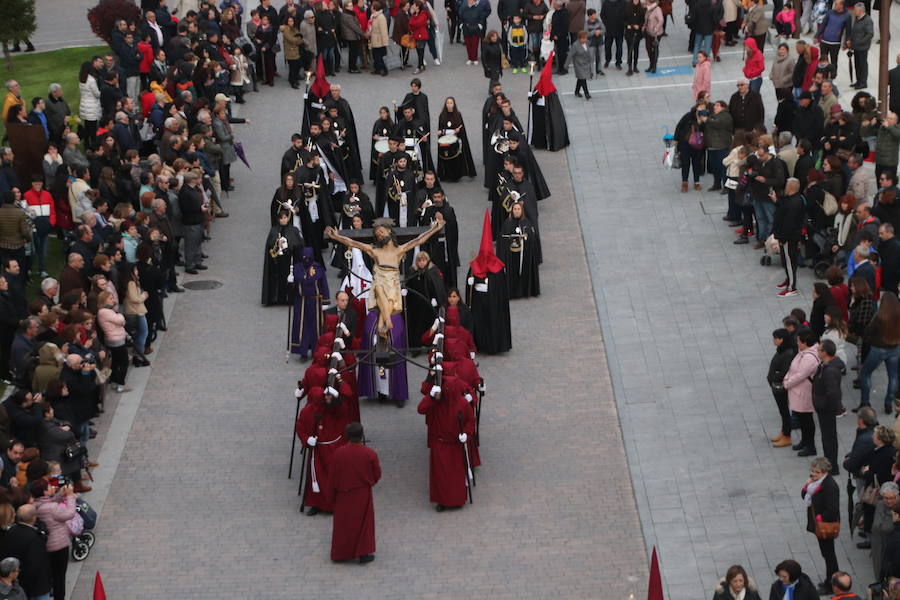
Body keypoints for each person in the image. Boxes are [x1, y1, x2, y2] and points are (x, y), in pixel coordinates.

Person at [326, 219, 444, 338]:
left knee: (387, 296)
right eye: (377, 235)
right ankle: (387, 323)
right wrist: (336, 236)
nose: (380, 235)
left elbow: (419, 239)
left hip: (392, 284)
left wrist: (434, 229)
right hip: (380, 283)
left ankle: (383, 324)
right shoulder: (374, 250)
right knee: (378, 288)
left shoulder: (399, 250)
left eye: (381, 232)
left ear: (389, 231)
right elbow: (352, 243)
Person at [417, 373, 476, 511]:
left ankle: (458, 499)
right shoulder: (436, 402)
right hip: (440, 443)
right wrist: (430, 397)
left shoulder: (462, 403)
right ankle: (442, 501)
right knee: (441, 476)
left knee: (456, 475)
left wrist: (466, 434)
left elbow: (470, 421)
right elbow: (421, 409)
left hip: (456, 444)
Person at [328, 422, 380, 563]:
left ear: (347, 436)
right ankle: (363, 553)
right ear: (362, 435)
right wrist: (369, 483)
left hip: (343, 494)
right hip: (362, 493)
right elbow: (377, 474)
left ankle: (341, 554)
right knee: (364, 524)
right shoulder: (370, 454)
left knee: (343, 525)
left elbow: (333, 476)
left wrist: (332, 496)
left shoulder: (338, 453)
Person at [466, 211, 511, 354]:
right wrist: (470, 283)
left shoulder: (498, 268)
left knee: (493, 324)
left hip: (493, 303)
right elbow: (469, 290)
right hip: (479, 302)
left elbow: (501, 289)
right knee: (480, 324)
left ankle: (494, 346)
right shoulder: (474, 266)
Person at [31, 475, 76, 600]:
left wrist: (60, 495)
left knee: (51, 573)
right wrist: (70, 496)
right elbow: (69, 513)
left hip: (47, 546)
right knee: (59, 576)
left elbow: (50, 502)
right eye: (49, 486)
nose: (52, 487)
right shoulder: (51, 508)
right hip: (59, 546)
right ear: (45, 491)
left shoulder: (37, 504)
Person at [801, 456, 840, 593]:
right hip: (819, 525)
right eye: (813, 471)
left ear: (825, 472)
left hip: (825, 526)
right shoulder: (815, 482)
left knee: (829, 555)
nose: (813, 474)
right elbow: (805, 496)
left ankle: (832, 583)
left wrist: (820, 517)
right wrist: (806, 486)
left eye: (817, 472)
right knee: (826, 554)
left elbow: (832, 510)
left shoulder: (829, 486)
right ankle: (831, 580)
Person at [858, 293, 900, 414]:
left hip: (878, 349)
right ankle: (888, 403)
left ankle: (865, 402)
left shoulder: (879, 317)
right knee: (893, 376)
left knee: (865, 374)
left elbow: (869, 331)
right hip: (895, 348)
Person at [0, 505, 51, 600]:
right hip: (37, 588)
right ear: (34, 518)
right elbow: (35, 565)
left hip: (19, 583)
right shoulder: (35, 538)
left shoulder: (10, 532)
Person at [783, 329, 820, 456]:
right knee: (803, 420)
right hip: (798, 392)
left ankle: (810, 446)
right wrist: (787, 378)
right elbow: (793, 369)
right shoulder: (803, 352)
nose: (797, 343)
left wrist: (787, 383)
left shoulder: (809, 358)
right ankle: (805, 442)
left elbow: (800, 375)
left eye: (798, 341)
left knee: (807, 421)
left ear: (805, 343)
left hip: (804, 394)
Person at [289, 248, 330, 359]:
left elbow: (324, 285)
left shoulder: (318, 268)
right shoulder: (297, 268)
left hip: (315, 301)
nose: (306, 260)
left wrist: (326, 301)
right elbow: (294, 288)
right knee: (301, 325)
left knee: (315, 326)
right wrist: (290, 282)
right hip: (301, 301)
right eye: (304, 257)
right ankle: (302, 350)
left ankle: (315, 350)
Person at [813, 339, 845, 473]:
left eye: (819, 350)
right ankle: (829, 462)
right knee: (827, 437)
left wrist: (821, 404)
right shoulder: (826, 365)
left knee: (829, 438)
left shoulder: (830, 371)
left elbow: (832, 393)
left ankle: (831, 466)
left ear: (825, 352)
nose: (817, 351)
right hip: (824, 408)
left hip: (826, 409)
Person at [497, 201, 540, 298]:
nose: (516, 211)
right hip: (510, 256)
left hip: (523, 254)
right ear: (512, 211)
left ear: (522, 211)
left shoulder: (527, 223)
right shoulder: (507, 223)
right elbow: (502, 239)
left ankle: (524, 292)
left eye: (518, 209)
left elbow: (533, 238)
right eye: (515, 209)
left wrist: (526, 237)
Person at [262, 210, 303, 306]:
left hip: (290, 260)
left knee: (289, 278)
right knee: (278, 278)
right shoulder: (274, 230)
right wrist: (276, 243)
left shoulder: (294, 230)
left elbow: (299, 244)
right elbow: (270, 245)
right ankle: (277, 298)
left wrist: (290, 246)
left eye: (285, 218)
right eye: (281, 218)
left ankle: (291, 298)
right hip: (277, 261)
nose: (283, 220)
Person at [436, 97, 477, 182]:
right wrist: (440, 132)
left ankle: (456, 175)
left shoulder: (458, 115)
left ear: (454, 104)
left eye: (451, 103)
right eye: (448, 103)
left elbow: (461, 129)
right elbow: (440, 128)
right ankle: (446, 175)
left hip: (455, 140)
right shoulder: (442, 115)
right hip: (445, 140)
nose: (449, 105)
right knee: (446, 157)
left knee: (455, 158)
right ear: (445, 104)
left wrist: (458, 131)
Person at [768, 328, 797, 447]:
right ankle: (784, 432)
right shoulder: (782, 350)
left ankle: (787, 436)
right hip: (776, 385)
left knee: (784, 411)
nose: (774, 341)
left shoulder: (788, 353)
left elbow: (785, 371)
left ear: (782, 339)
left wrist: (774, 378)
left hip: (780, 386)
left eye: (776, 338)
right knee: (782, 411)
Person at [674, 102, 708, 193]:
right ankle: (684, 182)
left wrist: (701, 122)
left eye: (704, 108)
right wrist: (676, 139)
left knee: (696, 163)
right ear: (696, 107)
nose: (702, 109)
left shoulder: (705, 118)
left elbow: (707, 130)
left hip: (697, 145)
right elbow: (679, 126)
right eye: (701, 107)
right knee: (685, 163)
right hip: (685, 143)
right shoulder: (689, 116)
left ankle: (697, 182)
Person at [870, 481, 899, 579]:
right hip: (878, 545)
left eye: (891, 498)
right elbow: (876, 525)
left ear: (897, 496)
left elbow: (887, 527)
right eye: (886, 498)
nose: (888, 501)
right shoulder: (880, 504)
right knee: (879, 570)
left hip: (892, 547)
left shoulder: (897, 509)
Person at [848, 3, 873, 90]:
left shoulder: (867, 20)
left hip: (863, 47)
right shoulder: (857, 18)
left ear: (860, 11)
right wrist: (851, 40)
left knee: (862, 64)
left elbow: (870, 34)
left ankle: (863, 82)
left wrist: (860, 42)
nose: (854, 11)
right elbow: (854, 31)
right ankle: (858, 81)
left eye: (855, 10)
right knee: (857, 65)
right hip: (856, 47)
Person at [569, 32, 592, 99]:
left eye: (586, 38)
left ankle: (576, 91)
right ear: (579, 39)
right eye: (584, 38)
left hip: (584, 64)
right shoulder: (575, 45)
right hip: (578, 64)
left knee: (580, 78)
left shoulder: (587, 43)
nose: (585, 39)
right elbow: (571, 55)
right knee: (583, 78)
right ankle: (586, 94)